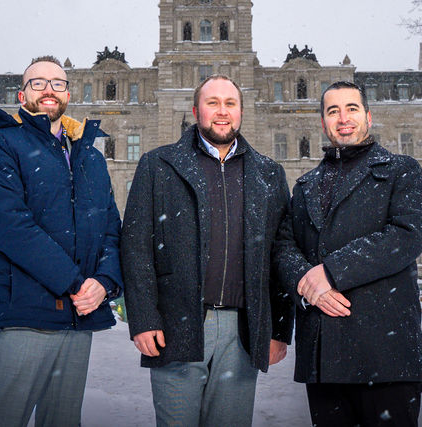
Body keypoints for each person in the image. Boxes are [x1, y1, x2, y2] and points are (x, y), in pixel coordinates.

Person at [121, 75, 294, 426]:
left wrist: (277, 330)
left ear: (241, 111)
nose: (222, 112)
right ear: (197, 109)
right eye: (213, 103)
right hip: (177, 324)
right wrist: (143, 319)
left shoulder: (268, 174)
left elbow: (279, 255)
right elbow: (136, 246)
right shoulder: (159, 166)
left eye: (230, 103)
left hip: (243, 332)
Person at [0, 56, 122, 427]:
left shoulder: (89, 156)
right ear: (22, 94)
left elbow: (112, 231)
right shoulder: (0, 143)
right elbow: (9, 227)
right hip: (26, 316)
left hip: (77, 318)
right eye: (38, 83)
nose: (49, 89)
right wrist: (75, 282)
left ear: (68, 93)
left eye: (57, 83)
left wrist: (104, 282)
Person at [275, 81, 422, 427]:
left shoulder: (401, 171)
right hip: (324, 358)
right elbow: (284, 246)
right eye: (333, 111)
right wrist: (306, 280)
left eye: (351, 109)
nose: (343, 118)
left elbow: (406, 235)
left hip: (385, 355)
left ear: (368, 117)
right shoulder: (305, 186)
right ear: (323, 123)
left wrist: (330, 272)